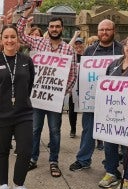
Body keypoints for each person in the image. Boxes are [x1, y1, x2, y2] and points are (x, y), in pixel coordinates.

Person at [17, 3, 77, 178]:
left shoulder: (68, 49)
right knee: (34, 130)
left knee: (55, 131)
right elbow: (20, 34)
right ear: (48, 28)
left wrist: (61, 92)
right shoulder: (38, 42)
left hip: (55, 100)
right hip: (37, 98)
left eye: (58, 26)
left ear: (62, 28)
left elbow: (72, 74)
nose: (55, 29)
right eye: (52, 26)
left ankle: (53, 162)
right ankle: (33, 159)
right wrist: (27, 13)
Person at [0, 24, 35, 189]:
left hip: (23, 112)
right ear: (1, 40)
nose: (10, 40)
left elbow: (29, 85)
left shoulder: (27, 61)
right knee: (2, 150)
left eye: (13, 37)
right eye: (6, 37)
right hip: (0, 113)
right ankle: (3, 186)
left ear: (18, 39)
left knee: (26, 150)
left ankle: (18, 186)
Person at [69, 19, 123, 171]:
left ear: (114, 30)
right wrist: (80, 95)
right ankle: (83, 160)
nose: (104, 32)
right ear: (97, 32)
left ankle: (111, 165)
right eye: (101, 30)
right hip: (91, 99)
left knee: (110, 133)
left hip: (114, 101)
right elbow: (84, 76)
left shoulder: (122, 50)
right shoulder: (89, 50)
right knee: (88, 130)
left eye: (108, 29)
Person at [98, 35, 128, 189]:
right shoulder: (113, 64)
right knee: (109, 144)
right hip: (112, 113)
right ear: (124, 46)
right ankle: (111, 172)